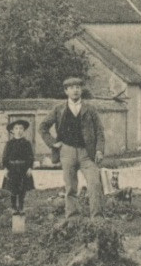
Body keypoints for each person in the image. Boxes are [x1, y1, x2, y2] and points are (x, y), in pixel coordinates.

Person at [40, 76, 105, 218]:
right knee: (70, 187)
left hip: (87, 153)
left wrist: (99, 150)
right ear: (66, 91)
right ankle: (72, 218)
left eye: (78, 87)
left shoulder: (90, 109)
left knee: (94, 184)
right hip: (66, 151)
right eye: (72, 87)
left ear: (81, 90)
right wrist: (53, 143)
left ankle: (97, 218)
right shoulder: (59, 109)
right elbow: (43, 127)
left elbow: (100, 131)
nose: (75, 90)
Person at [1, 117, 35, 215]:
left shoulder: (27, 143)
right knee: (13, 189)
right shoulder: (9, 144)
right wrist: (5, 168)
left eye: (21, 128)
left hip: (23, 169)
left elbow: (30, 157)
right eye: (16, 128)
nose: (19, 131)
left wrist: (30, 168)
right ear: (12, 131)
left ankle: (21, 206)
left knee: (22, 189)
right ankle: (13, 207)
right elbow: (5, 157)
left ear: (24, 130)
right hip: (12, 169)